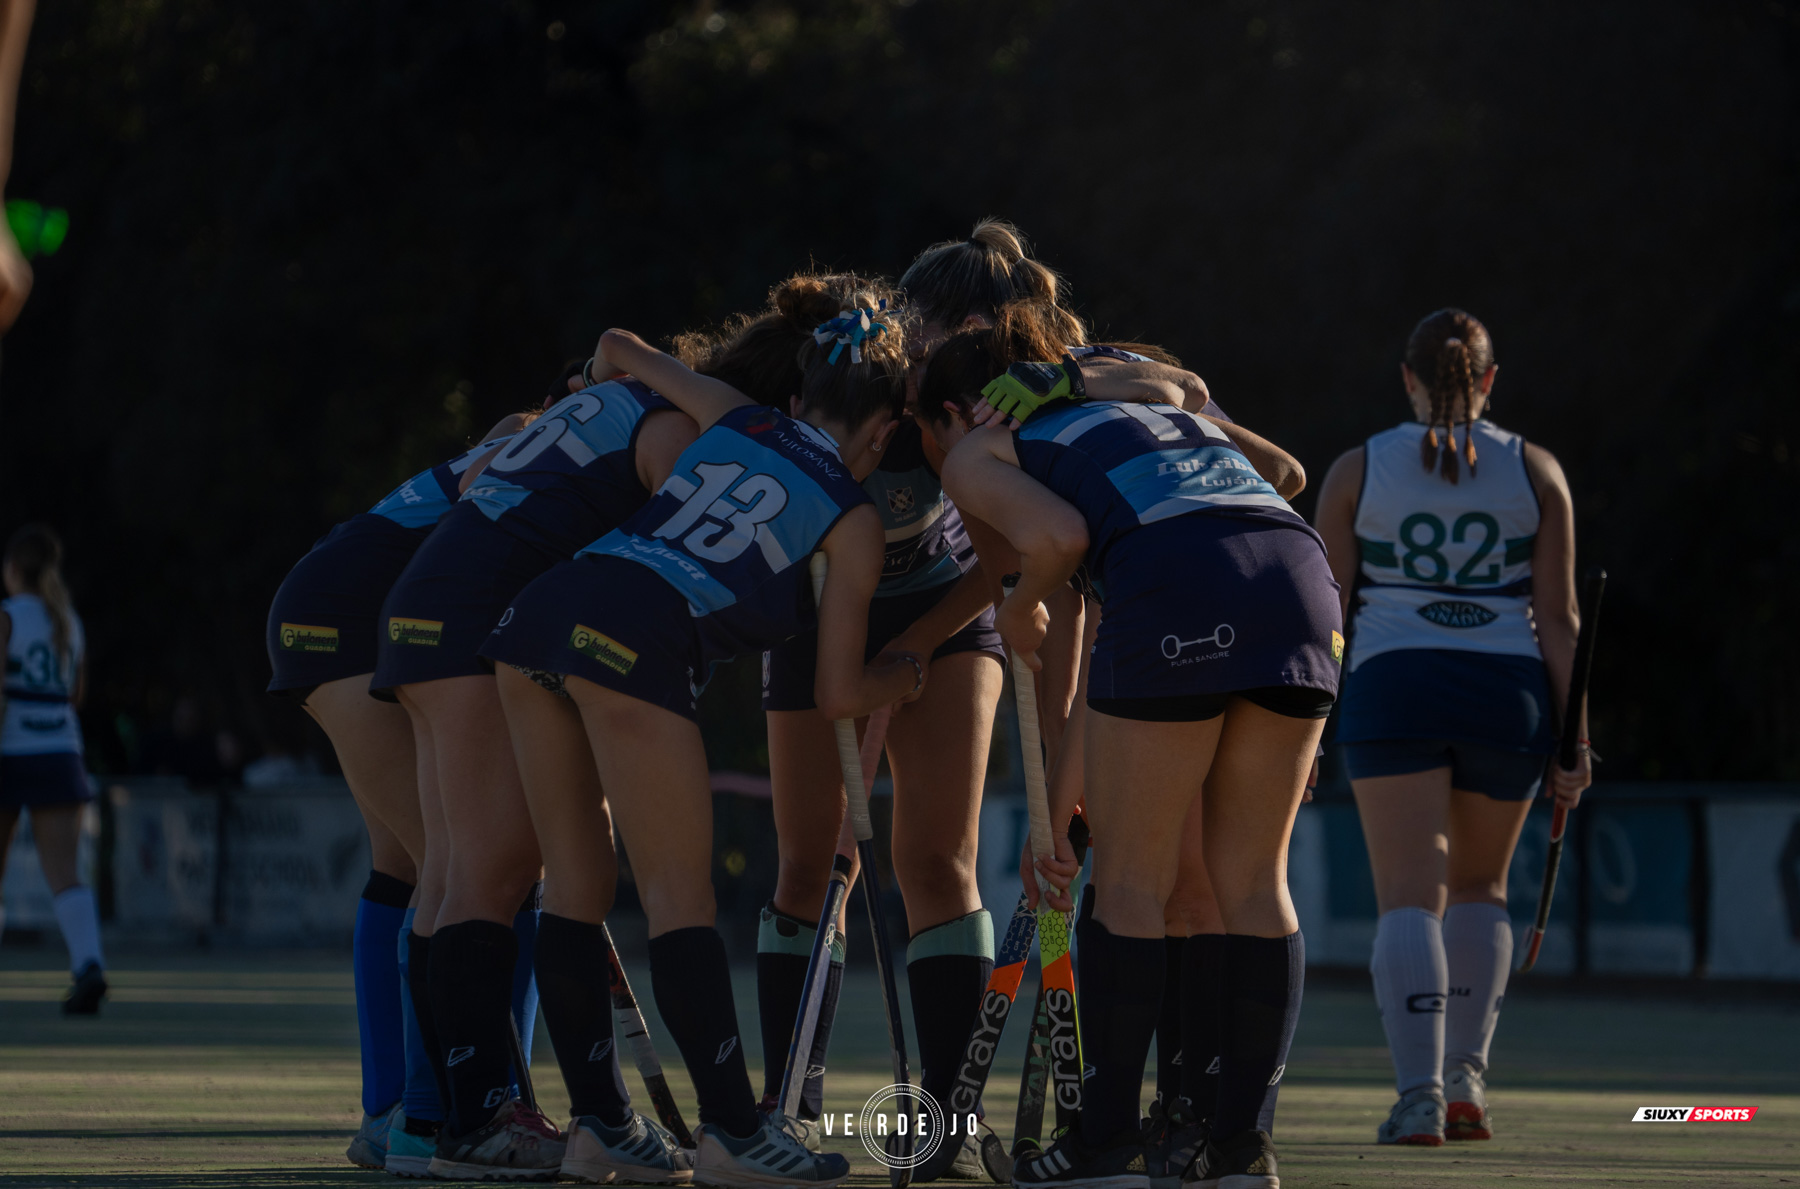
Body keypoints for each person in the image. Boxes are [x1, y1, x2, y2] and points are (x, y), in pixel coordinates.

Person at [483, 277, 922, 1189]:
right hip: (635, 638)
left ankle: (601, 1124)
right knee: (682, 898)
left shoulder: (735, 417)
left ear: (796, 399)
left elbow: (618, 339)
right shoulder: (856, 515)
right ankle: (731, 1131)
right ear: (882, 435)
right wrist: (904, 673)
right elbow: (840, 693)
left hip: (539, 615)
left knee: (576, 885)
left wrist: (588, 386)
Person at [922, 304, 1340, 1189]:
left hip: (1177, 580)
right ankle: (1240, 1149)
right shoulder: (1160, 408)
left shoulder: (976, 449)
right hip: (1300, 581)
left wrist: (1021, 599)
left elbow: (1061, 539)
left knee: (1134, 884)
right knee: (1257, 883)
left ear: (960, 408)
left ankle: (1105, 1144)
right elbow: (1288, 472)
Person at [372, 353, 699, 1181]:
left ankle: (449, 1113)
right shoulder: (664, 422)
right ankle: (478, 1120)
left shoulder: (575, 419)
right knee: (495, 871)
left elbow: (484, 481)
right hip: (467, 619)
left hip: (419, 604)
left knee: (450, 875)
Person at [1311, 308, 1591, 1146]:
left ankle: (1419, 1095)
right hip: (1505, 692)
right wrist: (1577, 741)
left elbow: (1323, 613)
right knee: (1480, 888)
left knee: (1409, 893)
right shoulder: (1535, 469)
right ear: (1489, 381)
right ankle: (1466, 1079)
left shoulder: (1357, 469)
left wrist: (1305, 722)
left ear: (1408, 379)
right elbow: (1562, 619)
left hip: (1394, 684)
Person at [266, 409, 530, 1172]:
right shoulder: (543, 442)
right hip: (348, 623)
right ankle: (441, 1112)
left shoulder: (535, 431)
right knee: (466, 868)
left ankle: (395, 1107)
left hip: (331, 611)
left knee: (408, 864)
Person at [0, 524, 105, 1012]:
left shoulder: (8, 616)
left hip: (11, 749)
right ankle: (88, 965)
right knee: (66, 873)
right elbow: (76, 696)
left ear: (14, 570)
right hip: (61, 748)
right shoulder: (70, 620)